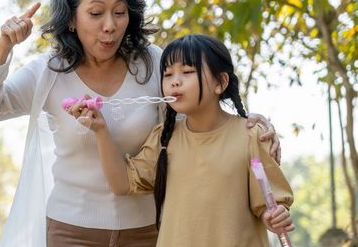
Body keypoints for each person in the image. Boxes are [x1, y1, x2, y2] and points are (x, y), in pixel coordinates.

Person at [0, 0, 280, 247]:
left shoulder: (154, 63)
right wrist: (3, 48)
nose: (110, 25)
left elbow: (197, 119)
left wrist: (248, 123)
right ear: (72, 20)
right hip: (71, 230)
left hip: (147, 229)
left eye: (120, 12)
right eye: (96, 13)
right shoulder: (50, 71)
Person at [67, 34, 294, 246]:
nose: (175, 82)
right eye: (167, 74)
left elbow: (269, 205)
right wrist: (100, 130)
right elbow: (122, 183)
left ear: (221, 82)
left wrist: (274, 216)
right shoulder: (164, 138)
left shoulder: (251, 135)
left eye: (187, 72)